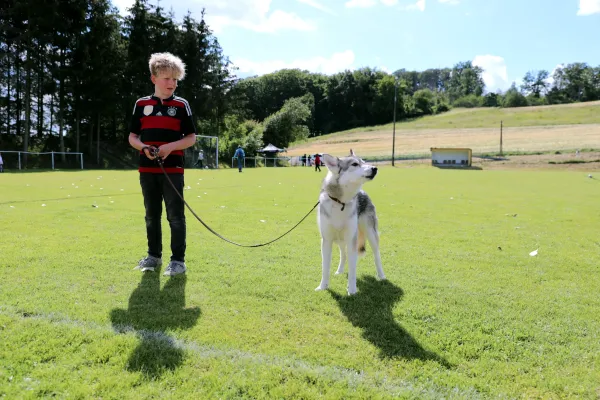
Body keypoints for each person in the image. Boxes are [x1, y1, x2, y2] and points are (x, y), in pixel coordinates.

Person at [128, 52, 197, 276]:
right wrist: (143, 148)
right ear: (154, 78)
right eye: (167, 78)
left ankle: (178, 261)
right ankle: (153, 257)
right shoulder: (141, 104)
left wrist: (169, 147)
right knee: (151, 215)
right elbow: (132, 137)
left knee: (175, 216)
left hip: (173, 170)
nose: (172, 84)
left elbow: (191, 137)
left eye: (175, 79)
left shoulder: (181, 105)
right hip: (147, 170)